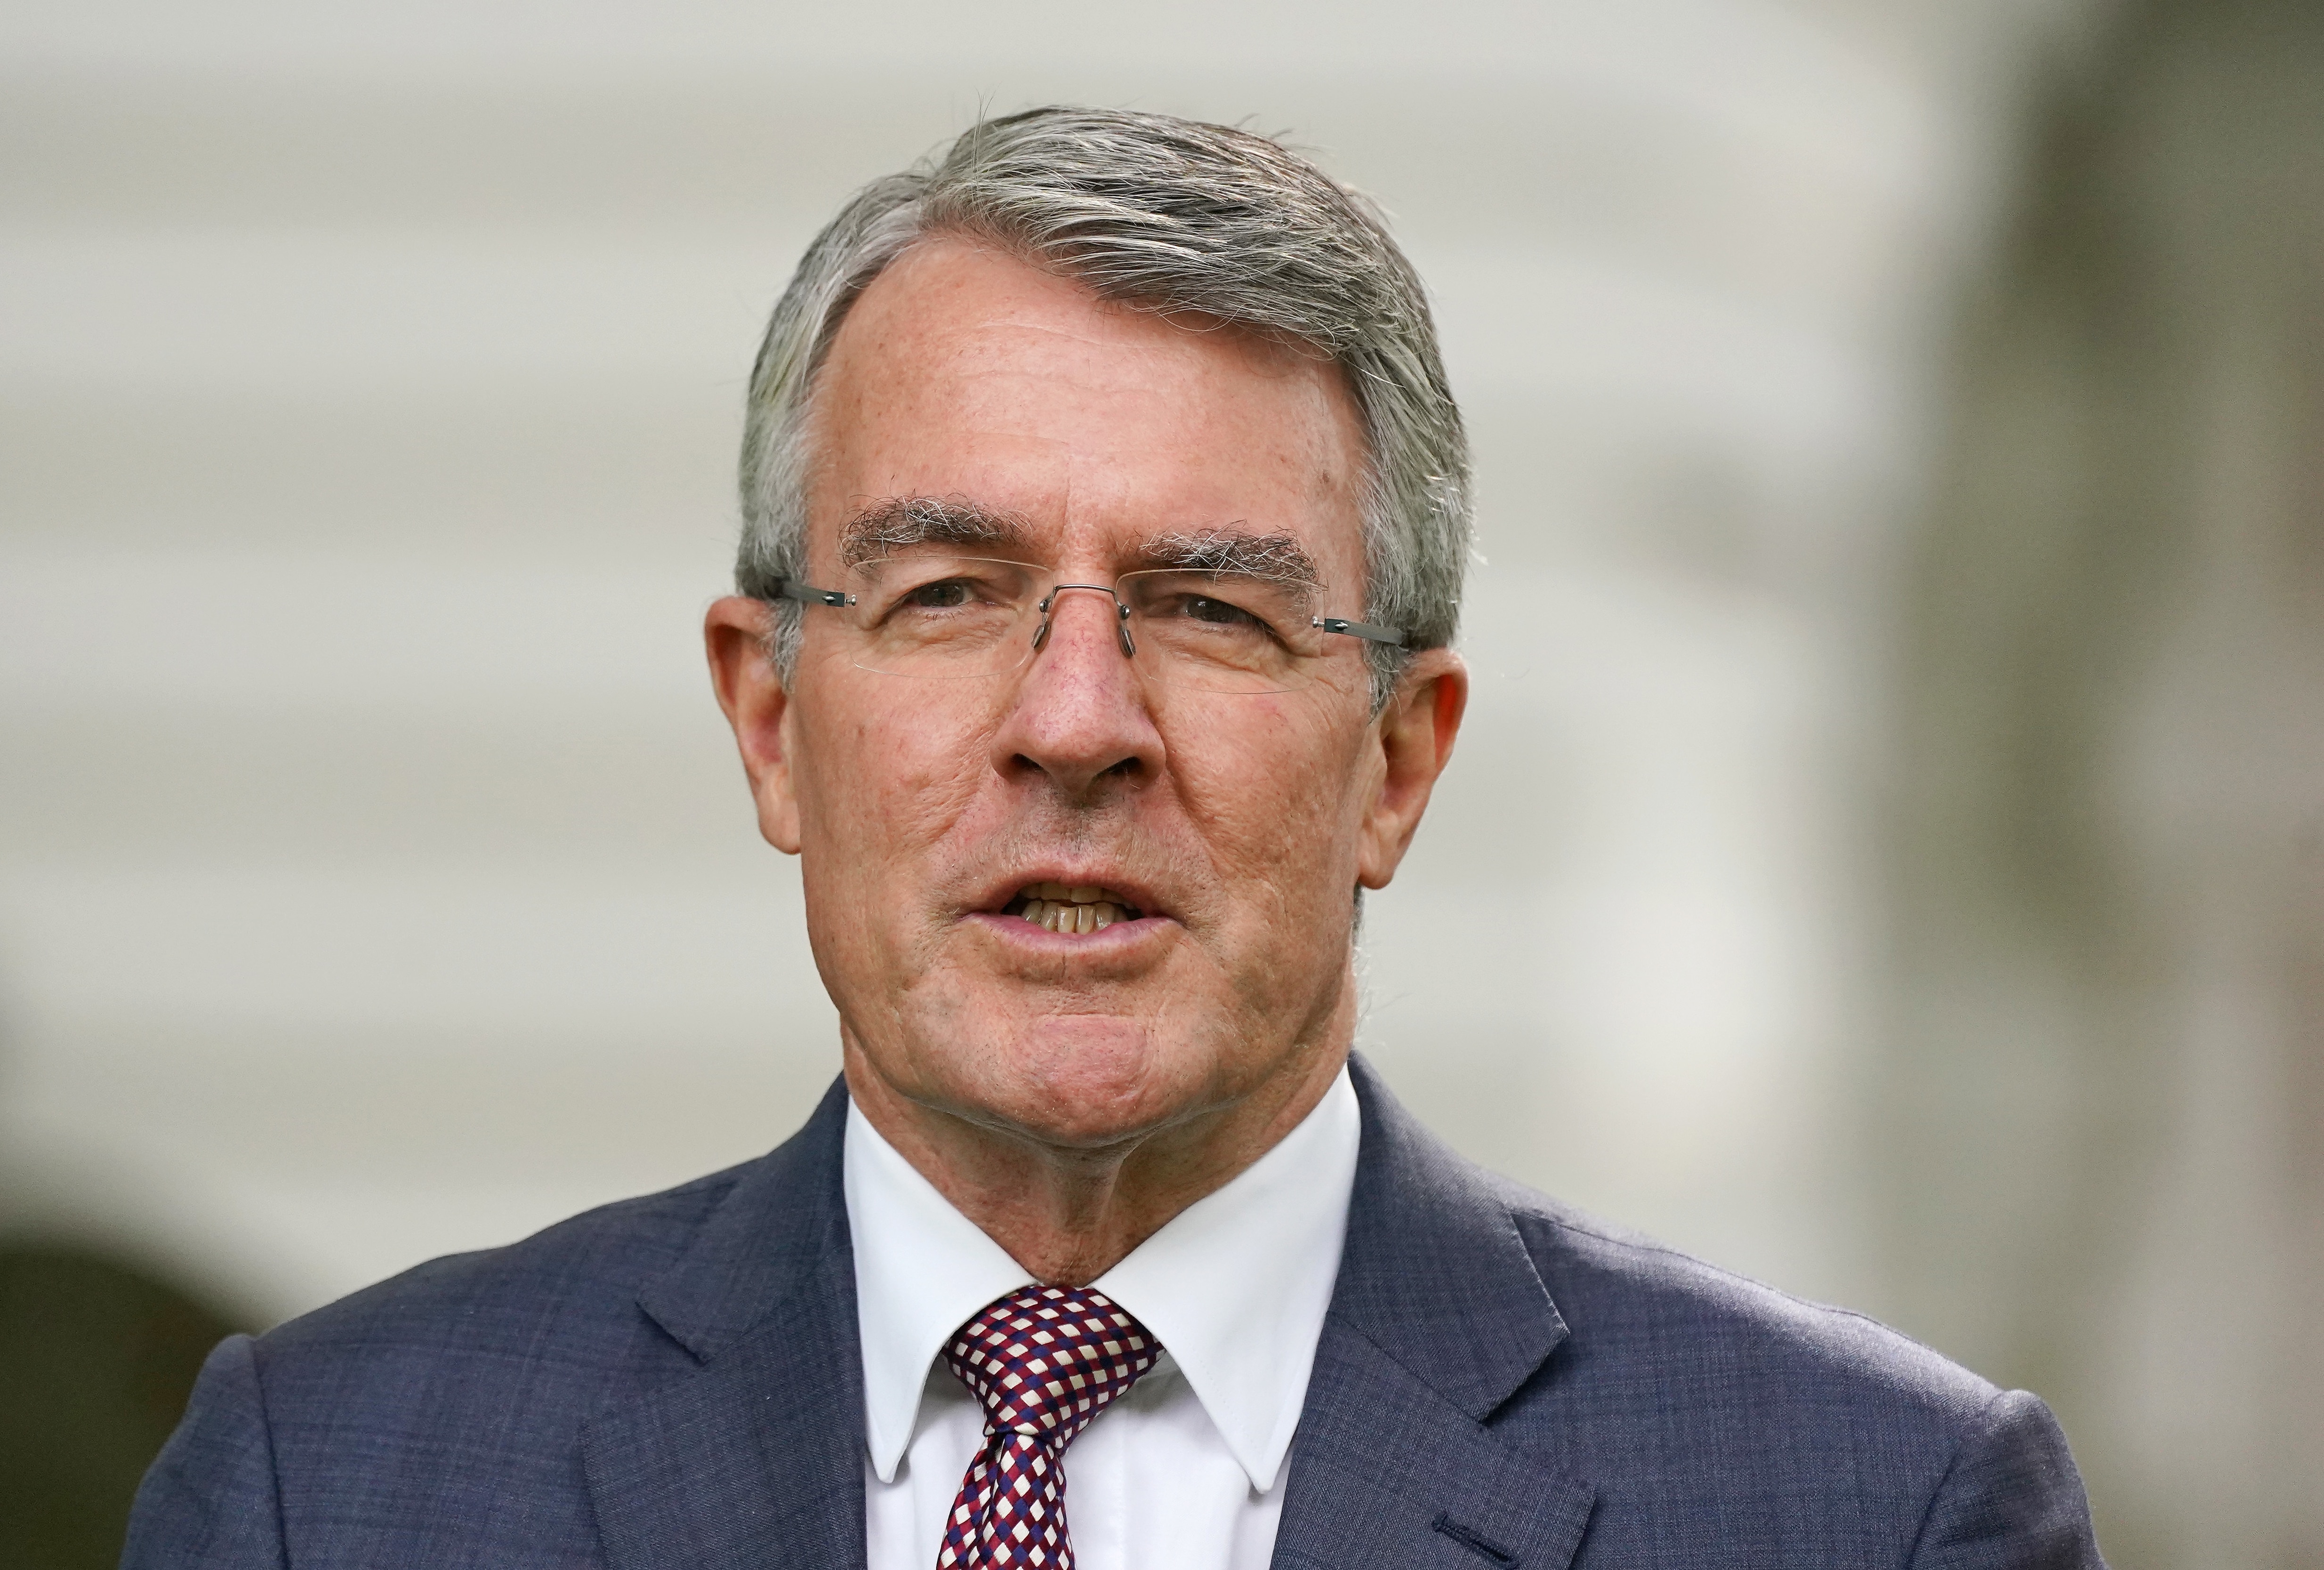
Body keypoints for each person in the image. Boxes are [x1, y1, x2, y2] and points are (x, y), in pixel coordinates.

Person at [122, 107, 2104, 1570]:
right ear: (768, 722)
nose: (1077, 725)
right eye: (950, 595)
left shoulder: (1867, 1516)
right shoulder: (338, 1486)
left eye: (1213, 611)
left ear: (1397, 761)